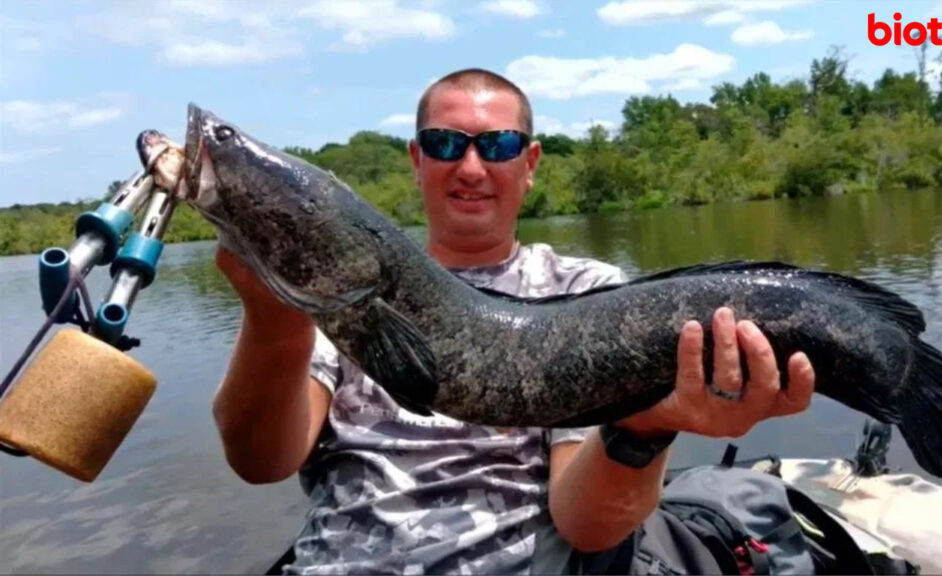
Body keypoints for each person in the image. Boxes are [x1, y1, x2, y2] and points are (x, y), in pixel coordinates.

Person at [210, 68, 817, 575]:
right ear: (417, 160)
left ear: (529, 164)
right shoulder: (339, 293)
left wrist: (644, 426)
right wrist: (273, 314)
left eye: (496, 146)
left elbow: (586, 525)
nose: (471, 167)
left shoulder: (587, 294)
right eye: (447, 144)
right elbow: (261, 462)